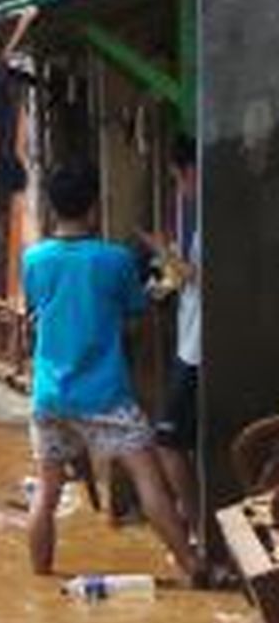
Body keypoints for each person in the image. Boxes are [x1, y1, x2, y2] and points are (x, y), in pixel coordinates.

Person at [22, 161, 197, 580]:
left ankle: (41, 583)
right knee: (147, 480)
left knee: (45, 494)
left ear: (51, 208)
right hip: (105, 396)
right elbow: (136, 312)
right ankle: (193, 567)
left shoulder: (34, 258)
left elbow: (37, 309)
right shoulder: (114, 260)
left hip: (50, 395)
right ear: (94, 209)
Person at [140, 135, 201, 536]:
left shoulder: (213, 217)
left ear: (190, 171)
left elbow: (196, 275)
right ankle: (194, 519)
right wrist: (151, 286)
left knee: (167, 440)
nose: (180, 190)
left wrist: (164, 251)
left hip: (199, 349)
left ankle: (196, 527)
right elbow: (174, 280)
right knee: (176, 440)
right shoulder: (194, 218)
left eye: (179, 180)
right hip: (188, 344)